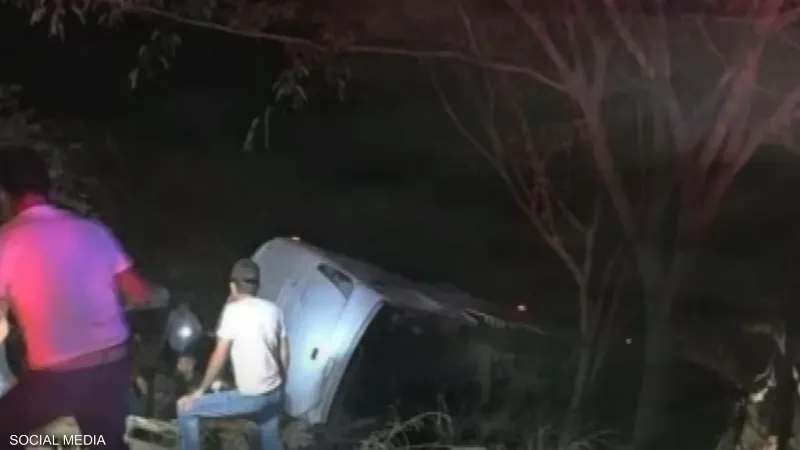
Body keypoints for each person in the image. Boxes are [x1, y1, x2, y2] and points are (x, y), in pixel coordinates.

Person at [0, 147, 162, 449]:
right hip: (113, 365)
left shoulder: (7, 240)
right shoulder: (93, 230)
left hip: (57, 377)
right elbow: (141, 294)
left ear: (4, 195)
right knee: (103, 441)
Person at [177, 258, 289, 450]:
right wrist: (280, 386)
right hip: (274, 393)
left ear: (232, 286)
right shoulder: (274, 310)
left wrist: (200, 391)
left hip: (252, 396)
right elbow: (285, 354)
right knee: (270, 440)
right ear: (257, 286)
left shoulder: (233, 311)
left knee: (185, 409)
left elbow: (219, 355)